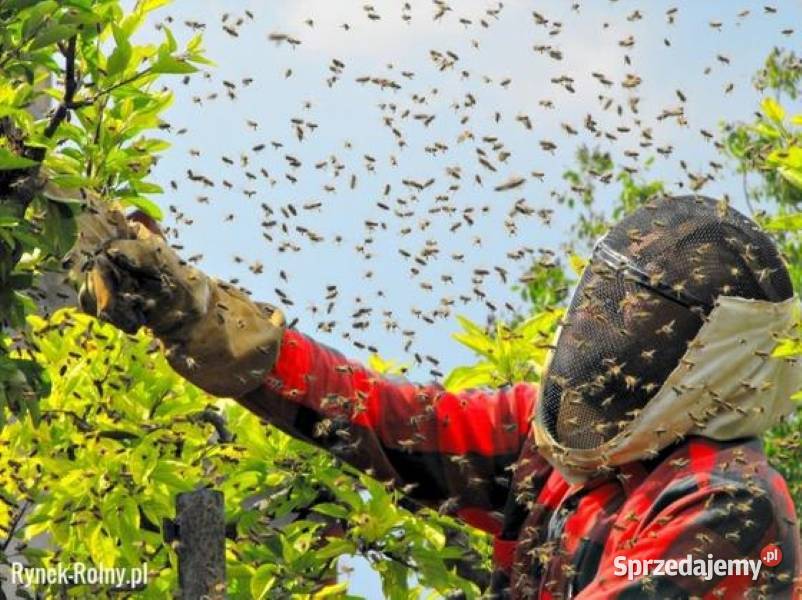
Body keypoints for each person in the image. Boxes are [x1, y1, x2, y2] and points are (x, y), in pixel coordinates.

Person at [78, 194, 802, 599]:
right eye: (604, 305)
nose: (599, 333)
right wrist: (201, 318)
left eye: (637, 321)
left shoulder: (728, 504)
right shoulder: (545, 442)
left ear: (715, 357)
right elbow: (382, 417)